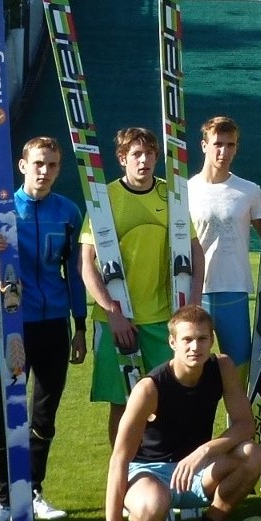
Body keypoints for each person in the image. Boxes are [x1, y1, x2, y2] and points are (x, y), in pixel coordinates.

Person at [0, 136, 88, 521]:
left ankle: (33, 491)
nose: (45, 171)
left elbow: (75, 278)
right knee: (3, 413)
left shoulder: (68, 212)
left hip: (54, 326)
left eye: (52, 165)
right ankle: (3, 500)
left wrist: (81, 326)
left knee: (43, 414)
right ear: (22, 166)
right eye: (38, 163)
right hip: (14, 327)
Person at [91, 304, 261, 521]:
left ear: (212, 340)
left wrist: (204, 451)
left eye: (202, 339)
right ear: (172, 342)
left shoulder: (223, 367)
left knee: (252, 455)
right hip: (150, 471)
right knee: (150, 510)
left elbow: (245, 425)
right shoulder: (150, 388)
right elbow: (119, 459)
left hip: (197, 469)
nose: (195, 347)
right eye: (187, 340)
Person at [82, 126, 204, 441]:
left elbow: (194, 251)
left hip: (163, 319)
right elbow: (87, 264)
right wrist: (113, 312)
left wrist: (192, 303)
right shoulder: (104, 198)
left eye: (150, 154)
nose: (144, 160)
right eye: (136, 154)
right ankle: (122, 477)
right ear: (123, 158)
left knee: (167, 398)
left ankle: (167, 473)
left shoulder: (171, 194)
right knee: (123, 403)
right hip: (116, 321)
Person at [187, 115, 261, 376]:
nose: (224, 151)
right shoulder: (184, 191)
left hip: (234, 289)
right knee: (192, 369)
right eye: (218, 144)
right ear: (204, 145)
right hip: (192, 293)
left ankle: (240, 420)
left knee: (237, 371)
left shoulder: (250, 191)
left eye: (230, 145)